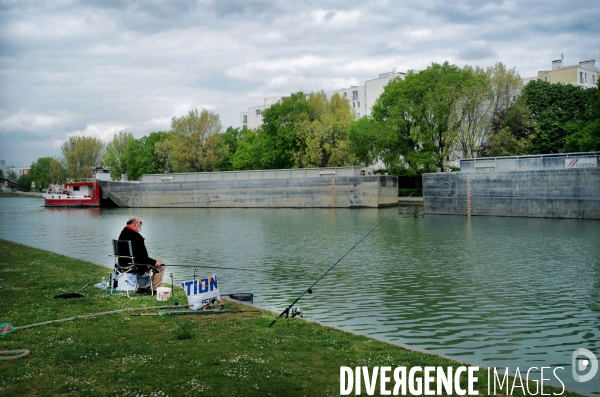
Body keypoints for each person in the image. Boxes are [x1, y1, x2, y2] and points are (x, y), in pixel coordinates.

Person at [117, 216, 166, 292]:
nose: (141, 225)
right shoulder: (136, 237)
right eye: (140, 223)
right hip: (134, 263)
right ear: (134, 224)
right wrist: (154, 262)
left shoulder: (124, 232)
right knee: (161, 264)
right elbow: (141, 257)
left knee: (149, 262)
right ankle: (155, 288)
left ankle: (142, 287)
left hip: (122, 262)